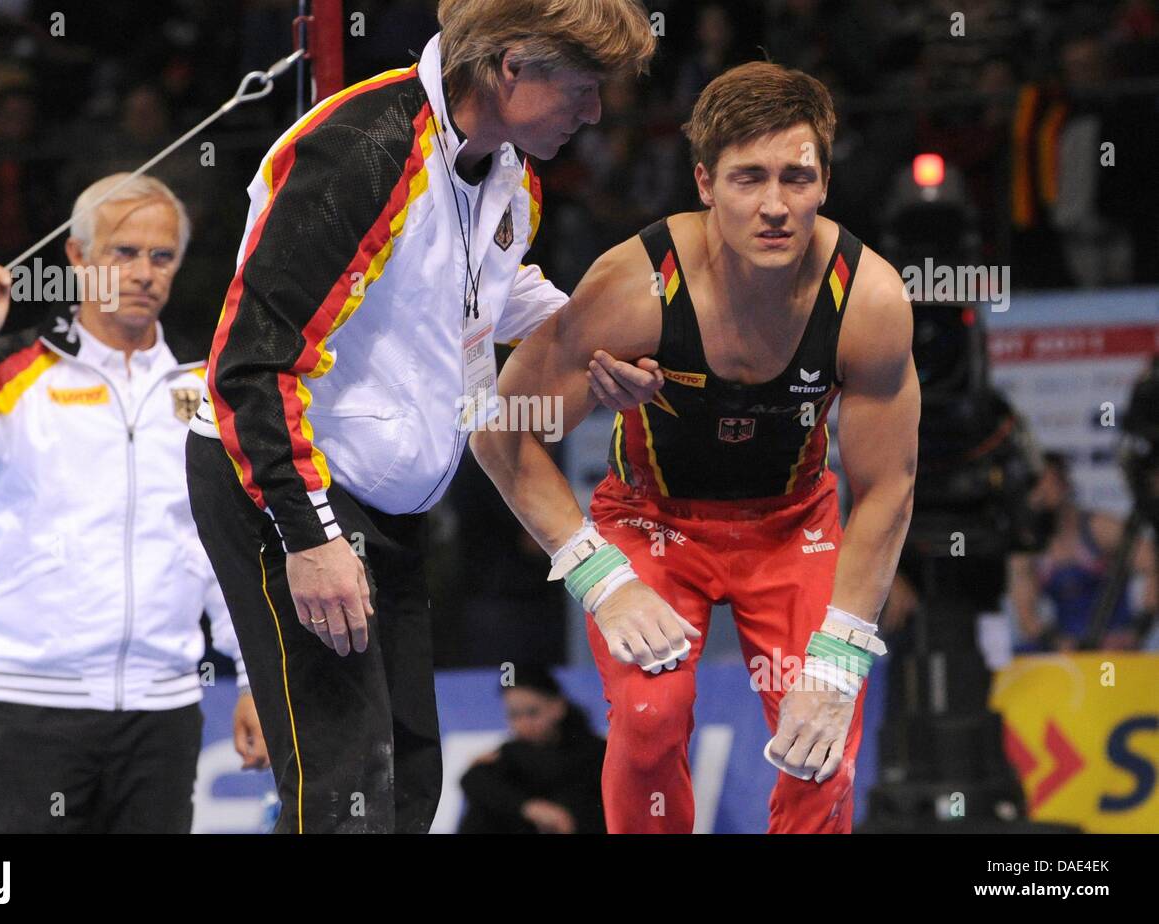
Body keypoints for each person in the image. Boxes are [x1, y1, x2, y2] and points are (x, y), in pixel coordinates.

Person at [186, 0, 666, 834]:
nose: (595, 114)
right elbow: (249, 367)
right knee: (343, 790)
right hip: (289, 487)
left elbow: (488, 290)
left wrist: (592, 348)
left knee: (407, 783)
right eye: (582, 89)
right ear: (511, 66)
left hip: (389, 504)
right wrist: (309, 535)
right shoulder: (362, 152)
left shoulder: (508, 167)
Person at [472, 61, 920, 833]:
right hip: (652, 524)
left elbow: (887, 488)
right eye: (749, 179)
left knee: (824, 740)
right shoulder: (633, 287)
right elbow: (500, 432)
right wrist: (599, 575)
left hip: (792, 529)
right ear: (706, 182)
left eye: (797, 177)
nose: (776, 206)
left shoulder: (869, 300)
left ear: (825, 181)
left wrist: (842, 653)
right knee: (650, 716)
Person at [0, 174, 267, 833]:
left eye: (162, 256)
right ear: (78, 258)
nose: (144, 272)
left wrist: (257, 676)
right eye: (124, 253)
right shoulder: (10, 370)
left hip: (164, 710)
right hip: (31, 707)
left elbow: (213, 548)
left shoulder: (200, 389)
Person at [1009, 452, 1157, 651]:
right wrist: (1059, 643)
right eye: (1035, 485)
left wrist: (1137, 631)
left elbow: (1153, 566)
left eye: (1047, 483)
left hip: (1117, 645)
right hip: (1066, 648)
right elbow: (1026, 616)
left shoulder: (1100, 528)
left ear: (1064, 484)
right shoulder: (1027, 548)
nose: (1041, 493)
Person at [459, 665, 606, 834]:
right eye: (514, 715)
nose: (523, 723)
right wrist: (530, 807)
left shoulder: (593, 751)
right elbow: (472, 780)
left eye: (532, 712)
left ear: (558, 707)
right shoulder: (511, 753)